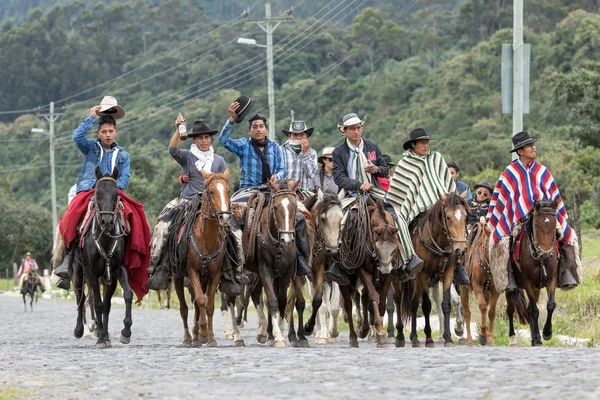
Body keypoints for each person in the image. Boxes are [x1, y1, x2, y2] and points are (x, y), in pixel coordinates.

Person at [52, 96, 150, 302]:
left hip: (112, 193)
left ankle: (134, 259)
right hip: (88, 190)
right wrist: (90, 117)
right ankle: (68, 260)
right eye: (103, 131)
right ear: (98, 133)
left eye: (110, 131)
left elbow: (125, 176)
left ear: (116, 132)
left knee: (137, 215)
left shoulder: (123, 154)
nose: (107, 135)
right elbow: (76, 137)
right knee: (70, 217)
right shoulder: (90, 147)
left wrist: (112, 188)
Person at [147, 116, 241, 296]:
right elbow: (172, 150)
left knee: (234, 230)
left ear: (210, 139)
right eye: (200, 138)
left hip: (212, 203)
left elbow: (220, 185)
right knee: (165, 224)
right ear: (194, 140)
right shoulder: (187, 156)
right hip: (189, 200)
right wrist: (177, 130)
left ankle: (233, 269)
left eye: (207, 137)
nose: (204, 141)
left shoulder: (219, 160)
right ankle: (159, 265)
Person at [218, 102, 311, 277]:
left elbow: (282, 168)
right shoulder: (243, 145)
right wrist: (231, 120)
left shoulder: (275, 147)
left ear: (266, 130)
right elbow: (222, 140)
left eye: (261, 126)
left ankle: (301, 259)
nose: (258, 129)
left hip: (272, 191)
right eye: (255, 127)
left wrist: (278, 176)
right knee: (230, 217)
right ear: (249, 131)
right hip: (248, 191)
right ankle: (230, 262)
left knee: (298, 217)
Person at [487, 131, 581, 291]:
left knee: (566, 235)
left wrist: (551, 211)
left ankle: (567, 273)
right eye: (528, 146)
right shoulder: (510, 173)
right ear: (520, 151)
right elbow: (501, 199)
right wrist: (492, 219)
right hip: (519, 220)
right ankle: (508, 278)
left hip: (544, 214)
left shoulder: (542, 170)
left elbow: (553, 194)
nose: (533, 148)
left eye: (533, 145)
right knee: (504, 242)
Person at [385, 128, 469, 285]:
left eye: (427, 143)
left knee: (457, 225)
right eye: (422, 143)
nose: (426, 146)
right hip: (415, 206)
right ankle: (406, 259)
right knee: (402, 224)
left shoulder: (436, 158)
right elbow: (399, 190)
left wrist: (451, 201)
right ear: (413, 145)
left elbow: (446, 182)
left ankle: (457, 266)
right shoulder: (405, 163)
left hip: (441, 204)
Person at [326, 113, 394, 285]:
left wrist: (376, 169)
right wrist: (358, 184)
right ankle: (339, 264)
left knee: (395, 215)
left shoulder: (372, 146)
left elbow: (386, 170)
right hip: (351, 195)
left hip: (374, 192)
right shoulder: (339, 152)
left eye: (358, 127)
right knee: (341, 220)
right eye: (352, 129)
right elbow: (339, 178)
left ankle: (407, 257)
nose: (357, 131)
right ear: (345, 131)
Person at [280, 120, 318, 195]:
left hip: (303, 194)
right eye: (295, 134)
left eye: (302, 134)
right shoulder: (280, 150)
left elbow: (312, 175)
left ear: (306, 136)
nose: (299, 137)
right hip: (283, 193)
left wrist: (306, 153)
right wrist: (287, 182)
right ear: (289, 136)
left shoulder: (312, 153)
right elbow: (275, 174)